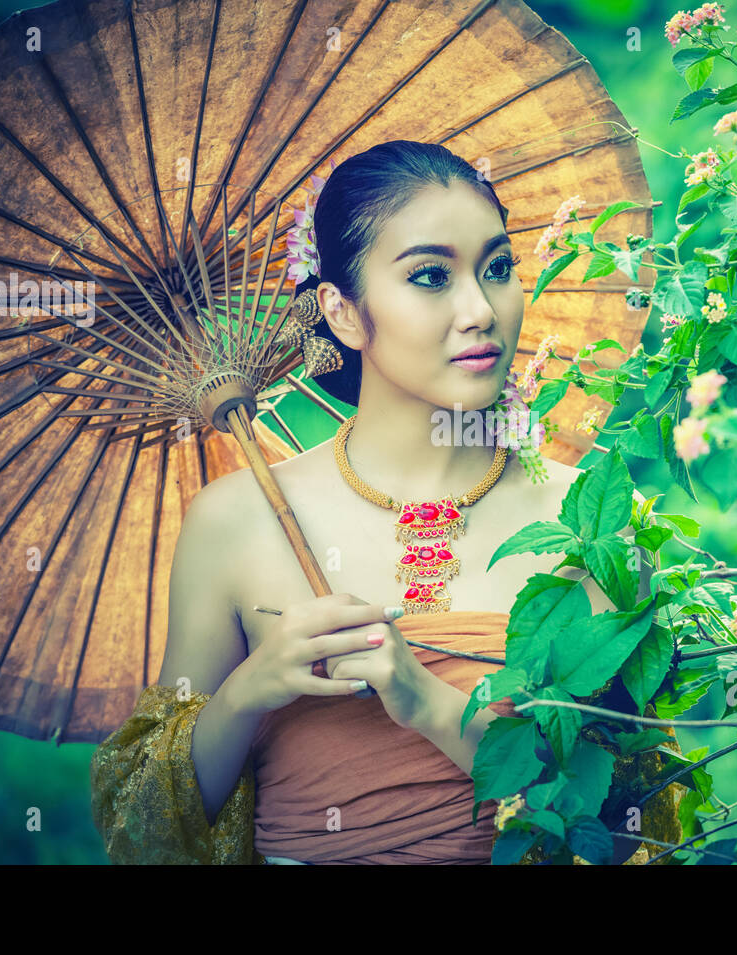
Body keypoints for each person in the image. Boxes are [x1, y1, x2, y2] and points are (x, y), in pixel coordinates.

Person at [90, 140, 685, 864]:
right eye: (431, 276)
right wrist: (249, 690)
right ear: (342, 313)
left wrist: (426, 704)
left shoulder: (589, 526)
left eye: (498, 269)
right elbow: (145, 835)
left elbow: (633, 828)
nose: (480, 310)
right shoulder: (235, 521)